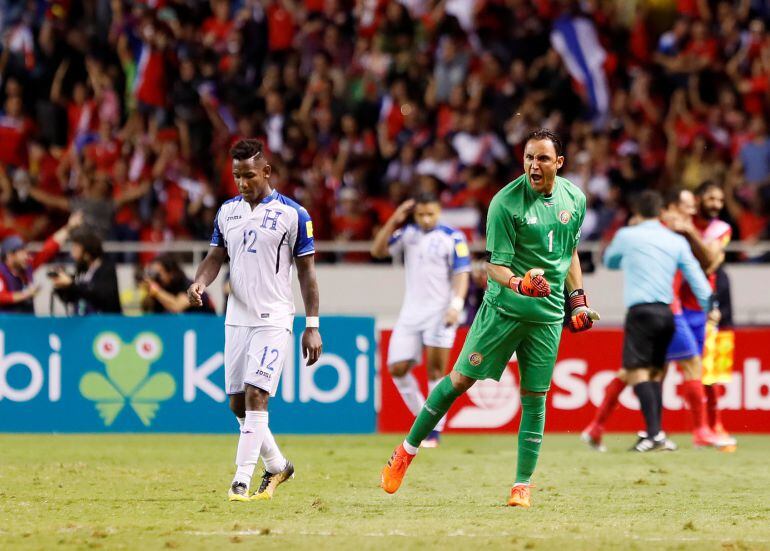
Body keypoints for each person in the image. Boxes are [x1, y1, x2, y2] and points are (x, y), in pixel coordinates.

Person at [380, 129, 599, 508]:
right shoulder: (505, 203)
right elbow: (494, 267)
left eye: (543, 159)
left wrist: (577, 301)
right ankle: (405, 451)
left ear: (559, 164)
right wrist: (520, 283)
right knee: (460, 380)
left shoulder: (574, 198)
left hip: (547, 317)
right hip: (503, 310)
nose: (534, 164)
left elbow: (571, 252)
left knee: (535, 398)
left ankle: (522, 486)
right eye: (529, 157)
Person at [187, 138, 322, 502]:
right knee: (236, 403)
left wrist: (312, 325)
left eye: (249, 175)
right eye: (236, 176)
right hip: (237, 319)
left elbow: (307, 274)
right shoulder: (227, 211)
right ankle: (278, 465)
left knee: (256, 396)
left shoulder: (294, 214)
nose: (243, 183)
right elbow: (215, 256)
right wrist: (200, 280)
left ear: (266, 171)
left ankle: (240, 480)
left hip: (274, 318)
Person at [581, 187, 734, 450]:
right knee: (679, 367)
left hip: (658, 311)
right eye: (686, 205)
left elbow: (611, 260)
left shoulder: (639, 234)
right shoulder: (671, 236)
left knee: (642, 372)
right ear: (668, 209)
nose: (692, 210)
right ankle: (690, 431)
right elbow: (703, 269)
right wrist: (712, 303)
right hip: (672, 311)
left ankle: (607, 428)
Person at [370, 192, 471, 448]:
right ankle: (423, 419)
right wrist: (395, 219)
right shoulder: (408, 234)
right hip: (411, 313)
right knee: (397, 369)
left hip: (440, 312)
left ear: (439, 212)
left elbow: (462, 274)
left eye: (430, 214)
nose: (426, 219)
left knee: (436, 372)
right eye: (421, 214)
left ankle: (434, 430)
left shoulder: (453, 237)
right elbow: (377, 250)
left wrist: (456, 306)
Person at [0, 212, 83, 312]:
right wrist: (26, 294)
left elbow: (48, 248)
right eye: (21, 252)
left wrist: (69, 227)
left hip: (27, 320)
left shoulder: (28, 266)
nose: (26, 255)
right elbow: (2, 297)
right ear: (10, 256)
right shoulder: (1, 272)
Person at [51, 229, 122, 314]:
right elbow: (71, 298)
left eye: (76, 248)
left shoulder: (106, 268)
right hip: (82, 321)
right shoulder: (82, 269)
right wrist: (61, 287)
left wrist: (71, 284)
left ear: (87, 251)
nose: (72, 252)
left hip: (103, 322)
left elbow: (100, 295)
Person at [141, 253, 216, 314]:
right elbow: (146, 310)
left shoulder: (187, 285)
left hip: (205, 323)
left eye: (159, 273)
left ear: (171, 273)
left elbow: (176, 307)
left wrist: (157, 292)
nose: (156, 277)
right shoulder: (161, 287)